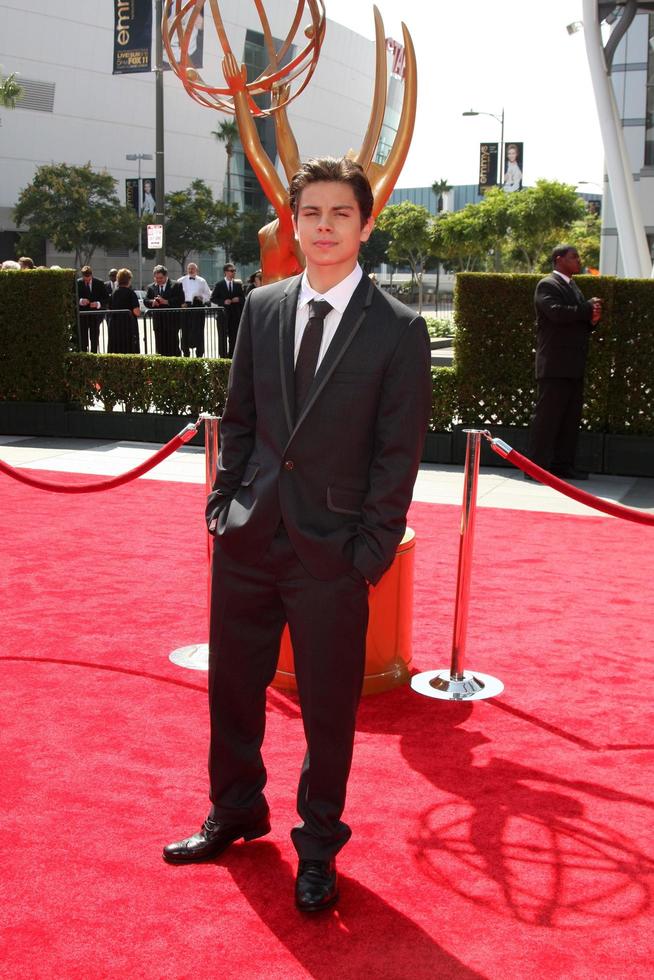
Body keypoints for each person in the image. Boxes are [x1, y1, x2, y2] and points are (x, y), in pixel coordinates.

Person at [163, 157, 432, 914]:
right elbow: (241, 417)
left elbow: (397, 456)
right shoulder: (264, 306)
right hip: (250, 538)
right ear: (294, 222)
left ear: (365, 225)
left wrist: (367, 557)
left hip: (334, 555)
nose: (323, 227)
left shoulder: (399, 331)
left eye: (339, 214)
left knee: (327, 712)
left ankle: (318, 847)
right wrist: (224, 506)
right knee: (233, 691)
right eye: (310, 212)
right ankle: (238, 807)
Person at [527, 244, 602, 481]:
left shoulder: (574, 287)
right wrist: (586, 309)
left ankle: (562, 465)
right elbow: (557, 313)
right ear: (559, 260)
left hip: (573, 365)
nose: (578, 261)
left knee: (570, 419)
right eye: (574, 257)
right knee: (547, 418)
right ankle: (535, 468)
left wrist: (593, 319)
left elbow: (576, 320)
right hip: (554, 365)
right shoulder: (548, 284)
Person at [144, 265, 183, 356]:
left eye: (161, 278)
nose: (158, 280)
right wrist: (152, 302)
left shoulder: (176, 285)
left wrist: (166, 302)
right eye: (156, 278)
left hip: (172, 322)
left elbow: (180, 299)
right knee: (160, 347)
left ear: (166, 276)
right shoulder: (151, 287)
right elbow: (146, 300)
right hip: (158, 322)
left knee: (173, 346)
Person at [211, 263, 245, 357]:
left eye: (234, 271)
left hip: (235, 316)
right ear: (226, 272)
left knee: (234, 337)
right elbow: (213, 298)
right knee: (222, 337)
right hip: (223, 315)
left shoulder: (238, 284)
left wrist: (238, 299)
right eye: (231, 271)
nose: (233, 272)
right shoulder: (219, 284)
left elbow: (243, 298)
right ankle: (223, 357)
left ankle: (232, 357)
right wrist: (223, 301)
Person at [178, 261, 211, 357]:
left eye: (193, 268)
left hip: (198, 306)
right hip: (185, 307)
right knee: (185, 330)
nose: (191, 270)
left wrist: (202, 298)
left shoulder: (202, 281)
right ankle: (186, 353)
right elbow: (176, 294)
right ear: (187, 270)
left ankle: (200, 354)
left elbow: (208, 294)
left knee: (199, 330)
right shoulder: (180, 280)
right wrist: (181, 303)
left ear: (197, 270)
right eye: (189, 268)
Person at [108, 268, 140, 354]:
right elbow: (136, 311)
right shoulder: (131, 293)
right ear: (129, 280)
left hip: (115, 325)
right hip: (128, 326)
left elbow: (110, 307)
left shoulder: (114, 293)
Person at [76, 265, 107, 353]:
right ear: (82, 276)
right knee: (83, 338)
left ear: (91, 275)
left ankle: (94, 354)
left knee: (94, 338)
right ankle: (84, 355)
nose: (87, 280)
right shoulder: (78, 283)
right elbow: (73, 297)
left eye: (89, 277)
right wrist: (81, 301)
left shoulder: (99, 283)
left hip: (95, 316)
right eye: (85, 277)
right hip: (83, 316)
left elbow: (106, 299)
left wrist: (98, 304)